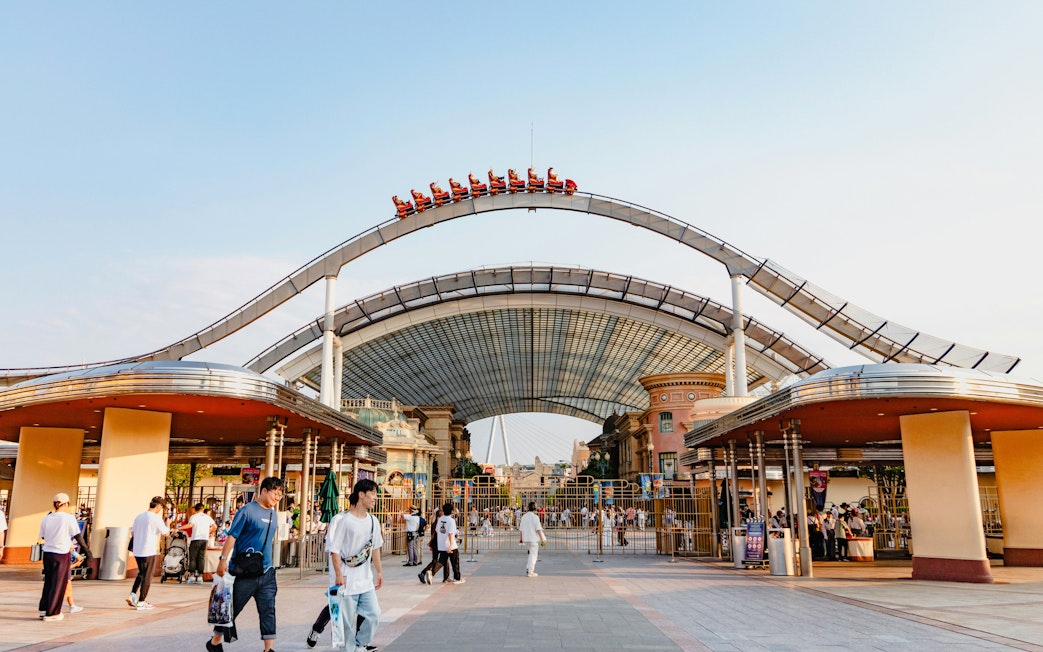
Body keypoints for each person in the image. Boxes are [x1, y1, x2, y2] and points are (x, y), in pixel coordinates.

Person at [207, 476, 284, 652]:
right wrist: (223, 560)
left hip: (266, 571)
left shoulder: (273, 514)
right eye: (275, 493)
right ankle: (215, 642)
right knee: (232, 609)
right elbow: (232, 536)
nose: (277, 498)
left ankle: (268, 649)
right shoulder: (247, 511)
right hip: (244, 570)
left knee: (268, 610)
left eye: (280, 495)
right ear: (264, 491)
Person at [319, 479, 384, 652]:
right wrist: (338, 575)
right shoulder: (345, 521)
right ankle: (350, 649)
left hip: (365, 580)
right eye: (372, 494)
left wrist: (379, 571)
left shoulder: (373, 521)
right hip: (347, 580)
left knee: (374, 614)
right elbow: (334, 550)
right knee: (346, 625)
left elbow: (375, 548)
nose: (374, 498)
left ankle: (359, 644)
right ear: (361, 495)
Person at [38, 493, 91, 621]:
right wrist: (87, 552)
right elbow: (78, 536)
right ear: (66, 503)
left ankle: (44, 609)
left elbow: (43, 536)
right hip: (61, 554)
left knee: (49, 582)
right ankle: (53, 613)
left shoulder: (47, 518)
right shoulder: (68, 518)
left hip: (48, 553)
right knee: (59, 583)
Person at [127, 496, 171, 610]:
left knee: (142, 573)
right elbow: (166, 533)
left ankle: (132, 595)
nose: (161, 509)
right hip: (148, 550)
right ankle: (142, 601)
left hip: (137, 550)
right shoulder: (155, 518)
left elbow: (133, 533)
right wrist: (168, 523)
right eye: (161, 507)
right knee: (147, 576)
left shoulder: (139, 517)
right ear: (158, 506)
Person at [186, 502, 217, 584]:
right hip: (204, 539)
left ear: (195, 509)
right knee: (201, 557)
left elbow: (190, 525)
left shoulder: (194, 516)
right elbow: (215, 526)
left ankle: (192, 575)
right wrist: (209, 531)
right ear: (202, 509)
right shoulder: (207, 517)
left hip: (196, 539)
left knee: (193, 557)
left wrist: (179, 528)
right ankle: (200, 576)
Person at [435, 502, 463, 584]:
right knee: (455, 562)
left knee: (441, 561)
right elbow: (451, 533)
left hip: (442, 544)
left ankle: (432, 572)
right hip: (451, 545)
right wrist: (451, 545)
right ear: (451, 511)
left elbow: (437, 530)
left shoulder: (440, 519)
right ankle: (457, 578)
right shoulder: (451, 520)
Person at [518, 502, 545, 577]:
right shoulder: (535, 517)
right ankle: (530, 571)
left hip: (526, 539)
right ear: (535, 508)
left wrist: (521, 538)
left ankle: (528, 568)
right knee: (533, 555)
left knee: (530, 554)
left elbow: (521, 529)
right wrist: (542, 538)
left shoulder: (524, 517)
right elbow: (538, 529)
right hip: (533, 538)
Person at [417, 506, 442, 585]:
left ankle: (423, 573)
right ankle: (427, 573)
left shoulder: (435, 521)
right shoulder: (438, 522)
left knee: (436, 560)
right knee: (439, 560)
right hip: (438, 543)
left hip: (435, 542)